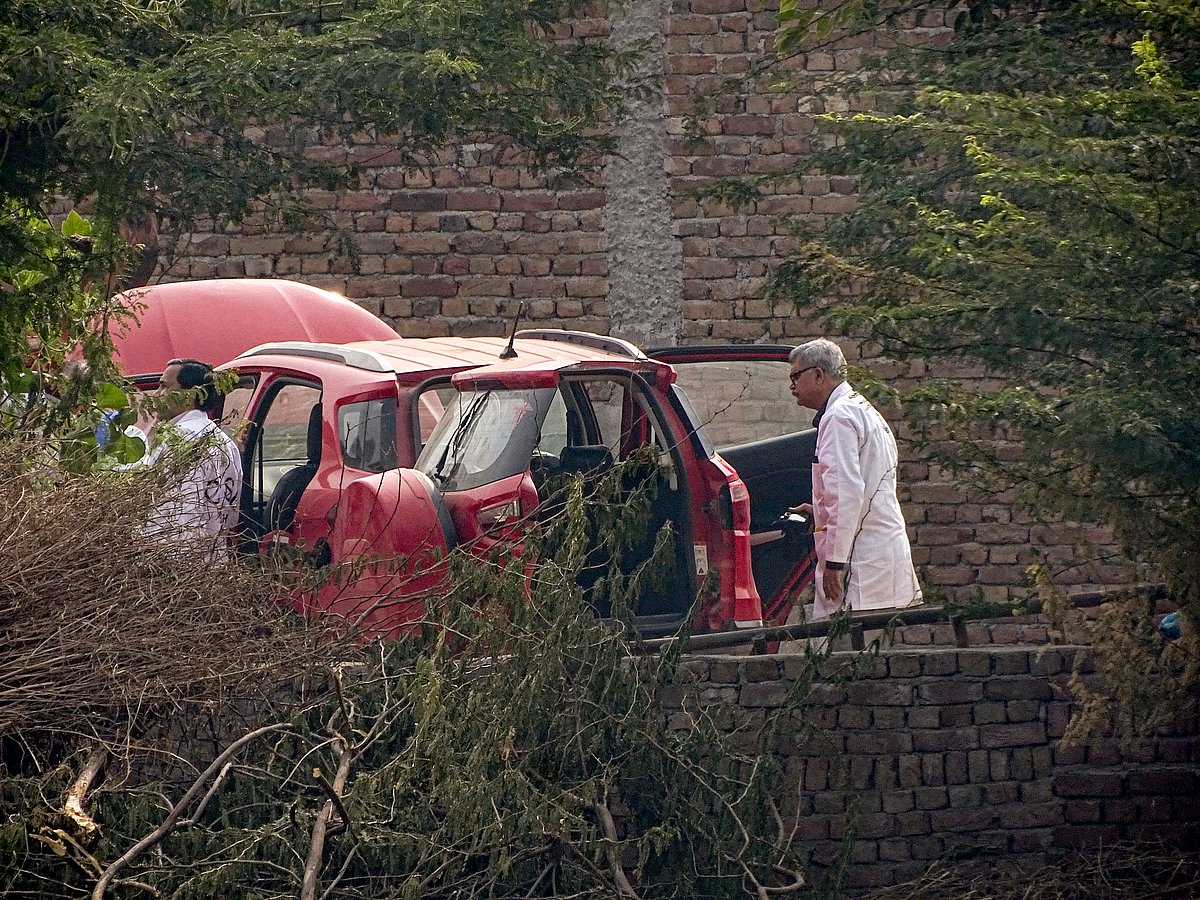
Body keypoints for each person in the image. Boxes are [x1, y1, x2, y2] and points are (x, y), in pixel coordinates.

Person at [788, 339, 921, 620]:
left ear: (818, 375)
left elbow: (846, 493)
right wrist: (819, 511)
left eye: (795, 377)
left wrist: (835, 563)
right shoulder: (861, 408)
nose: (792, 386)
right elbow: (866, 486)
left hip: (860, 559)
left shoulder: (838, 417)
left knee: (849, 642)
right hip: (878, 549)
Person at [141, 358, 242, 561]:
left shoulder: (177, 440)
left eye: (164, 386)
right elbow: (230, 516)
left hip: (174, 563)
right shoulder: (226, 443)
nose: (157, 394)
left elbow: (173, 517)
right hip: (212, 562)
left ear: (192, 394)